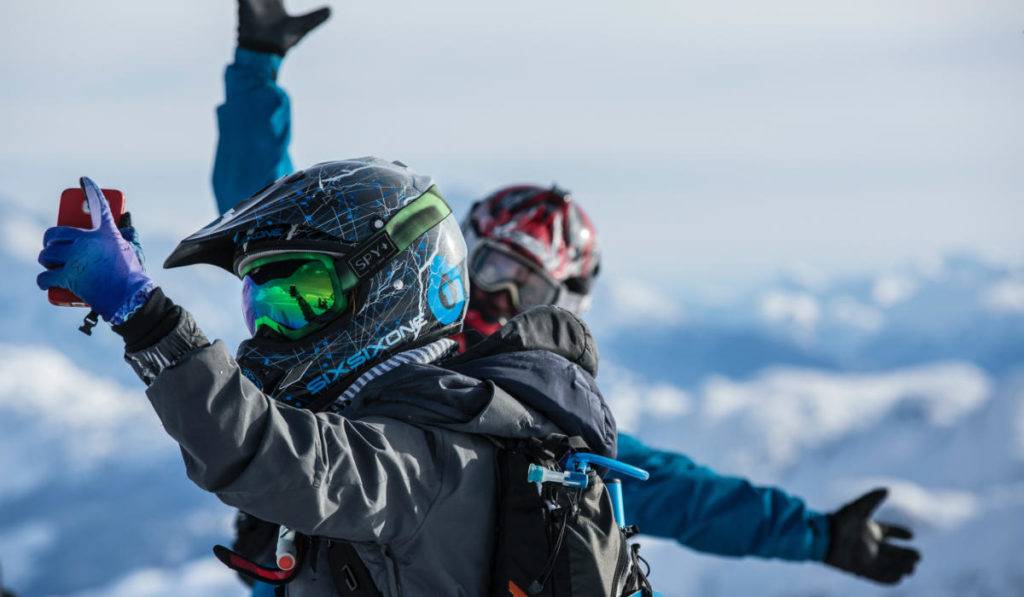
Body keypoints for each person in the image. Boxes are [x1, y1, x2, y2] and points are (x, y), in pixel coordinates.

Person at [211, 0, 921, 589]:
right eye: (490, 265)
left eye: (525, 283)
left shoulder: (533, 419)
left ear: (562, 302)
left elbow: (684, 493)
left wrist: (819, 534)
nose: (498, 295)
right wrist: (257, 69)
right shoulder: (381, 339)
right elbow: (281, 235)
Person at [36, 161, 636, 595]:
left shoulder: (428, 458)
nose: (272, 327)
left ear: (392, 291)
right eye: (262, 302)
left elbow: (255, 447)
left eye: (306, 296)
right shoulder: (409, 418)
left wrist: (142, 315)